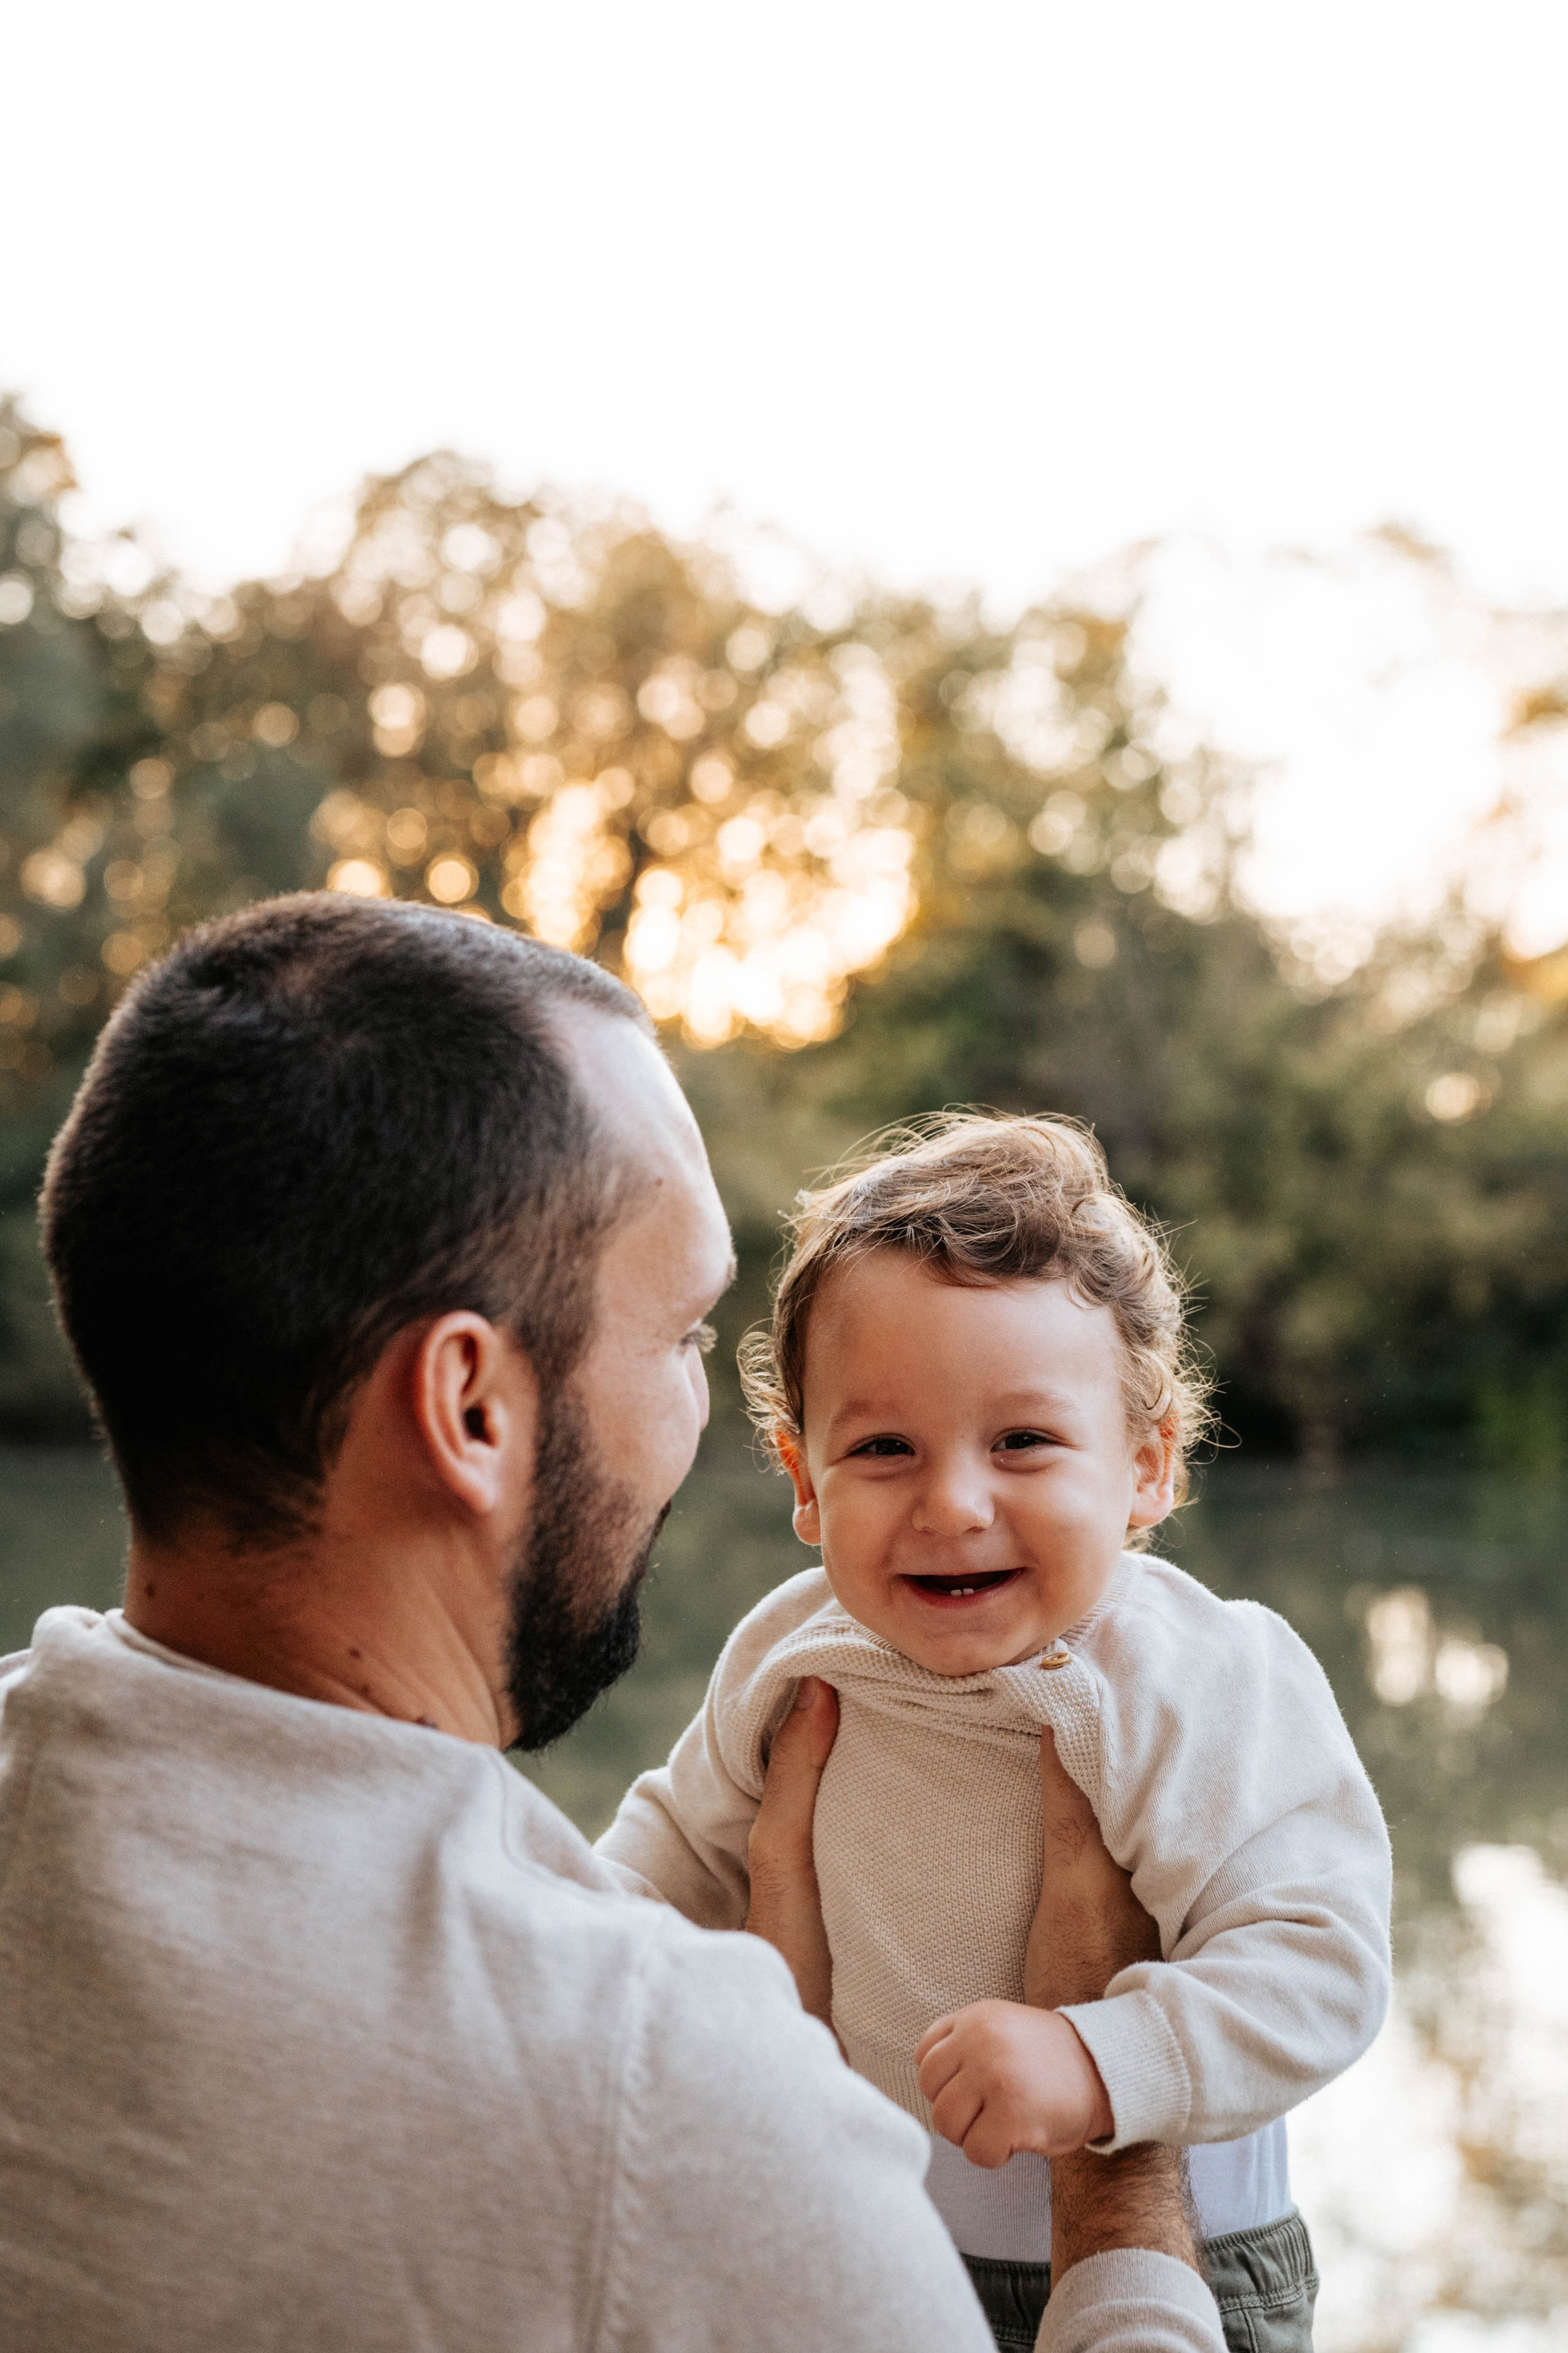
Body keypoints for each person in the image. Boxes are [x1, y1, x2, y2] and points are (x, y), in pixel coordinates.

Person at [0, 894, 1223, 2352]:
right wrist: (1118, 2173)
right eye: (685, 1334)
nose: (708, 1418)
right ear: (470, 1407)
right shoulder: (664, 2096)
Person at [598, 1113, 1393, 2351]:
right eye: (882, 1448)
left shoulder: (1198, 1676)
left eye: (1021, 1441)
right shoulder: (787, 1649)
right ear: (803, 1481)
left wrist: (1097, 2057)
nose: (952, 1502)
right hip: (880, 2231)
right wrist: (562, 1954)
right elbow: (667, 1857)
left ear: (1144, 1467)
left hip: (1184, 2258)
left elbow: (1321, 1961)